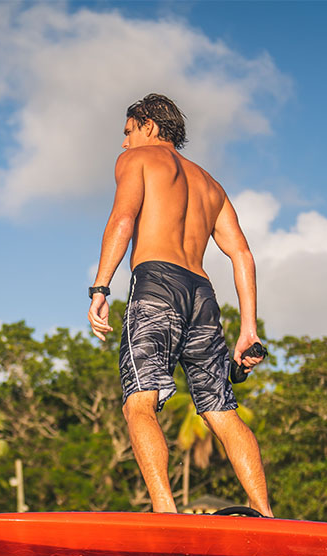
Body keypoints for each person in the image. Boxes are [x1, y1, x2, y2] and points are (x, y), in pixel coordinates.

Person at [88, 93, 271, 516]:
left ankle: (165, 512)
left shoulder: (138, 160)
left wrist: (100, 287)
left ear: (149, 125)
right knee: (222, 412)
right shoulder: (210, 184)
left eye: (128, 132)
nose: (124, 143)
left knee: (140, 402)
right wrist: (249, 330)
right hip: (203, 295)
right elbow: (242, 254)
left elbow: (122, 219)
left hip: (157, 284)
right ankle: (265, 514)